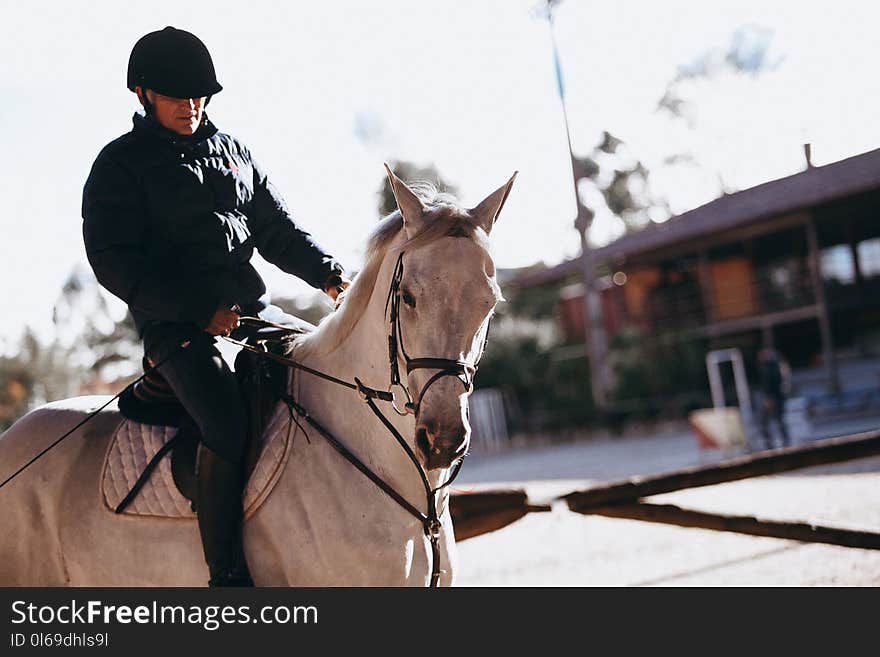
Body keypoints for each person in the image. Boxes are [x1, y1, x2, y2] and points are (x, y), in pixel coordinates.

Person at [82, 27, 350, 586]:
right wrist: (199, 310)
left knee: (328, 372)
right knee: (226, 424)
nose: (192, 106)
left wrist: (328, 275)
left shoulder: (235, 152)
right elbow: (114, 263)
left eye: (200, 95)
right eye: (179, 96)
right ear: (142, 95)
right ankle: (226, 575)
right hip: (176, 329)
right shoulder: (119, 167)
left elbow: (276, 231)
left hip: (254, 314)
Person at [757, 348, 791, 450]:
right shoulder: (776, 366)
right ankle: (785, 441)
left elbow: (768, 385)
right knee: (778, 420)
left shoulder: (768, 368)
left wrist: (768, 398)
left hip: (773, 398)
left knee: (765, 421)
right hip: (778, 397)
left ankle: (770, 443)